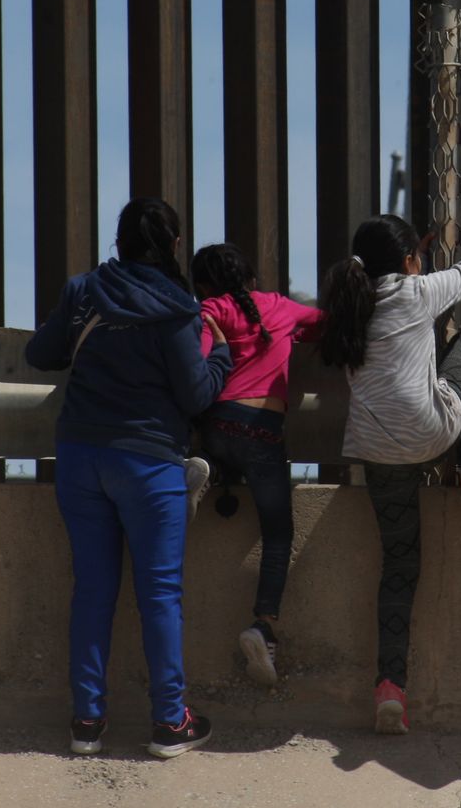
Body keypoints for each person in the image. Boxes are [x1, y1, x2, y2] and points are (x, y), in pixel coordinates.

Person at [25, 198, 232, 760]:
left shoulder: (83, 290)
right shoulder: (177, 308)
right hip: (148, 464)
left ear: (117, 242)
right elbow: (195, 395)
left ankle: (86, 723)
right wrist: (224, 356)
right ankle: (170, 723)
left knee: (92, 590)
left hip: (80, 456)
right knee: (159, 593)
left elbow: (40, 353)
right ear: (172, 245)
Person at [317, 177, 461, 734]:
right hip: (435, 433)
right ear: (410, 261)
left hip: (378, 453)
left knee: (399, 567)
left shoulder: (347, 308)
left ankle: (390, 688)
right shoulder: (416, 293)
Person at [189, 242, 327, 688]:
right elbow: (324, 325)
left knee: (213, 449)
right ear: (251, 278)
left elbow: (198, 365)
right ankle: (263, 626)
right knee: (278, 533)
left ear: (203, 285)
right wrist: (291, 335)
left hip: (220, 421)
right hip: (264, 432)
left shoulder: (210, 309)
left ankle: (201, 467)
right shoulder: (280, 307)